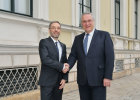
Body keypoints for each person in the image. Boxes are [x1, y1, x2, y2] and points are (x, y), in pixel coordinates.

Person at [67, 13, 114, 100]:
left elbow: (110, 57)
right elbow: (73, 55)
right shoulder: (78, 38)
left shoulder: (104, 35)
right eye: (84, 21)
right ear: (82, 23)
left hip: (98, 79)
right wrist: (67, 66)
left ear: (93, 22)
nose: (87, 23)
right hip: (83, 79)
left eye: (89, 21)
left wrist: (107, 76)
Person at [38, 21, 69, 100]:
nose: (56, 30)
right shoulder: (44, 42)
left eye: (58, 28)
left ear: (60, 30)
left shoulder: (63, 46)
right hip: (47, 82)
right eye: (53, 28)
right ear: (49, 30)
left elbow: (65, 62)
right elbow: (45, 59)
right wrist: (62, 66)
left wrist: (64, 78)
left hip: (59, 83)